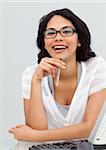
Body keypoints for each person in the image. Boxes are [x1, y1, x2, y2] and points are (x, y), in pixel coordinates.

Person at [9, 8, 106, 143]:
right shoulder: (31, 74)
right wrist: (36, 81)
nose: (58, 38)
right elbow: (37, 128)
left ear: (79, 40)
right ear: (44, 42)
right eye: (51, 33)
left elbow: (89, 128)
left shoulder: (96, 67)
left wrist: (33, 136)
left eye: (67, 31)